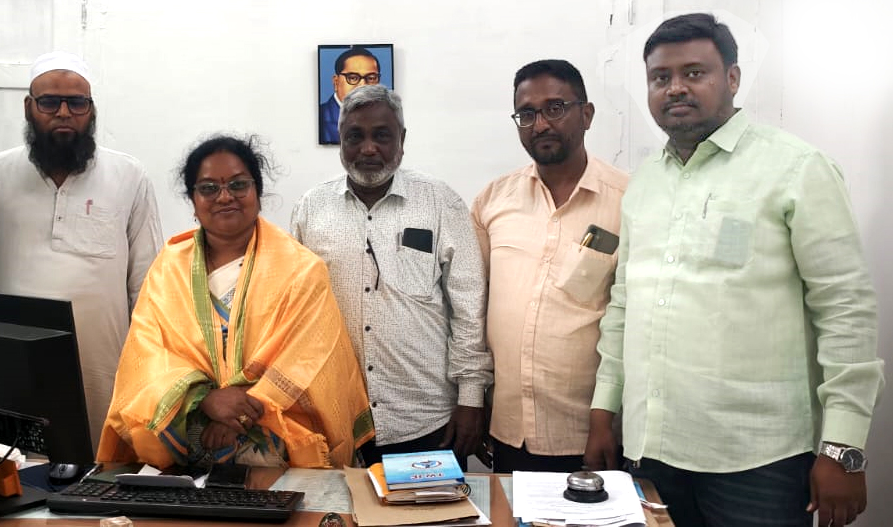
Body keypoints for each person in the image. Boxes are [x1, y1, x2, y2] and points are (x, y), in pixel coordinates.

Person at [584, 13, 884, 527]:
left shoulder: (796, 168)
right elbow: (625, 303)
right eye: (660, 77)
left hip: (759, 462)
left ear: (733, 78)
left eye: (694, 72)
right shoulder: (645, 183)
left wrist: (843, 447)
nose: (675, 88)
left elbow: (845, 309)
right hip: (652, 449)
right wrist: (603, 412)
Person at [97, 135, 373, 469]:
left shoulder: (301, 269)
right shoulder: (169, 267)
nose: (225, 196)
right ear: (193, 200)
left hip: (274, 441)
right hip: (186, 439)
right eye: (209, 188)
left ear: (258, 192)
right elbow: (147, 354)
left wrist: (241, 414)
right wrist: (205, 399)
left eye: (238, 185)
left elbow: (310, 358)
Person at [0, 51, 163, 449]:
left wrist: (148, 377)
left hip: (105, 376)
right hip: (13, 373)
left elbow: (147, 288)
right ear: (29, 107)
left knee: (102, 476)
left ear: (91, 110)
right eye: (50, 102)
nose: (64, 113)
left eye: (76, 103)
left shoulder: (129, 176)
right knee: (16, 473)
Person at [292, 85, 492, 469]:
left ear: (402, 139)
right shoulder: (311, 209)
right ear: (340, 140)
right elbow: (296, 311)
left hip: (427, 420)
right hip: (338, 420)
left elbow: (469, 306)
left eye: (382, 135)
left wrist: (471, 398)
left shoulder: (440, 202)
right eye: (355, 136)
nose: (368, 148)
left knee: (431, 510)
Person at [471, 59, 628, 473]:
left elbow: (632, 318)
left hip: (592, 432)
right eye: (527, 114)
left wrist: (606, 421)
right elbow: (472, 306)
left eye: (555, 108)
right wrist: (475, 401)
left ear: (586, 114)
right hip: (510, 428)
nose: (540, 124)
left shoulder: (628, 201)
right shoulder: (493, 200)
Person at [319, 46, 381, 144]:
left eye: (371, 78)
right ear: (336, 82)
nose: (362, 85)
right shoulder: (321, 118)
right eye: (353, 78)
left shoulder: (385, 118)